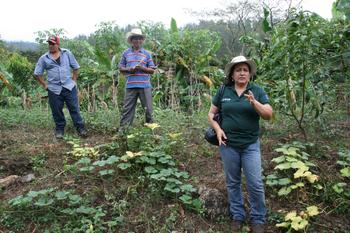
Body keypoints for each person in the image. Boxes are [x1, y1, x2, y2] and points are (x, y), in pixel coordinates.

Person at [208, 56, 273, 233]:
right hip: (228, 145)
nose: (242, 73)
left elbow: (268, 114)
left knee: (255, 182)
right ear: (232, 74)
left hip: (250, 145)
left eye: (245, 70)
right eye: (238, 70)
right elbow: (211, 114)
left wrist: (254, 102)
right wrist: (218, 129)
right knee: (232, 182)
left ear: (250, 73)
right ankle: (237, 215)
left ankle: (258, 218)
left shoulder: (256, 90)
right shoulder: (223, 91)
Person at [34, 35, 87, 139]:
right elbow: (37, 74)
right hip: (53, 89)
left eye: (53, 44)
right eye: (49, 43)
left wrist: (74, 80)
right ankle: (60, 130)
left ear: (58, 44)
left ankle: (80, 128)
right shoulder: (44, 58)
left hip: (69, 87)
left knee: (74, 108)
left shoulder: (67, 53)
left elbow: (76, 67)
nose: (51, 46)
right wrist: (45, 84)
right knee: (56, 110)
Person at [118, 28, 156, 131]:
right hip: (130, 86)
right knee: (127, 110)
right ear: (131, 40)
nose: (137, 41)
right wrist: (130, 70)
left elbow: (152, 70)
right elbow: (121, 68)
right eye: (135, 39)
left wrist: (142, 69)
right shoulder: (126, 53)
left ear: (142, 40)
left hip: (144, 86)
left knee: (148, 110)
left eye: (139, 39)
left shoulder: (147, 54)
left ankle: (151, 133)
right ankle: (123, 132)